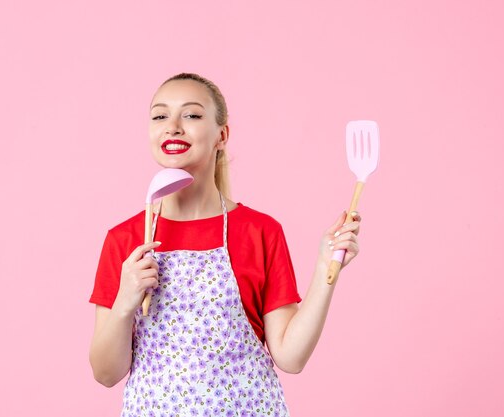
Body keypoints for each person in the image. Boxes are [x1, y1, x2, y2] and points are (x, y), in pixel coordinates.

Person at [88, 73, 361, 416]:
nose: (172, 126)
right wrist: (125, 303)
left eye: (191, 115)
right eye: (160, 116)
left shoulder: (260, 231)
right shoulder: (124, 240)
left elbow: (290, 358)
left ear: (222, 135)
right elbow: (105, 373)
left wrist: (325, 269)